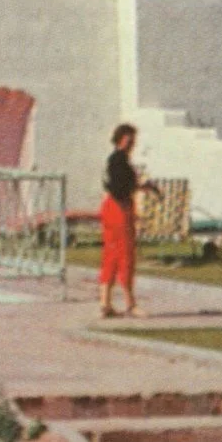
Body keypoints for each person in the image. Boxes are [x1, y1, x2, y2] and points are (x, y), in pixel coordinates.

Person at [97, 123, 142, 320]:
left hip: (111, 208)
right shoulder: (119, 161)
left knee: (111, 253)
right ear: (120, 139)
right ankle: (130, 303)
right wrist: (135, 187)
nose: (132, 144)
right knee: (125, 255)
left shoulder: (114, 160)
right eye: (129, 140)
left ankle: (105, 302)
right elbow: (120, 187)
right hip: (119, 209)